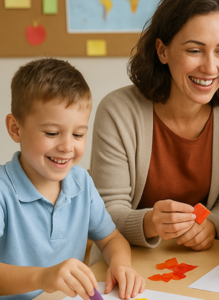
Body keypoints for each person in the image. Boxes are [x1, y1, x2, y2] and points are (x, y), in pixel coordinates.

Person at [89, 0, 219, 251]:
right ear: (162, 51)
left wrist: (211, 224)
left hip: (204, 262)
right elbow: (105, 213)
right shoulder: (117, 112)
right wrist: (149, 222)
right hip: (129, 262)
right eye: (194, 50)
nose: (210, 68)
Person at [0, 58, 144, 300]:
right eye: (52, 133)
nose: (67, 146)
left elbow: (110, 240)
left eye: (78, 134)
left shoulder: (81, 182)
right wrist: (43, 278)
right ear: (16, 129)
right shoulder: (3, 191)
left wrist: (121, 265)